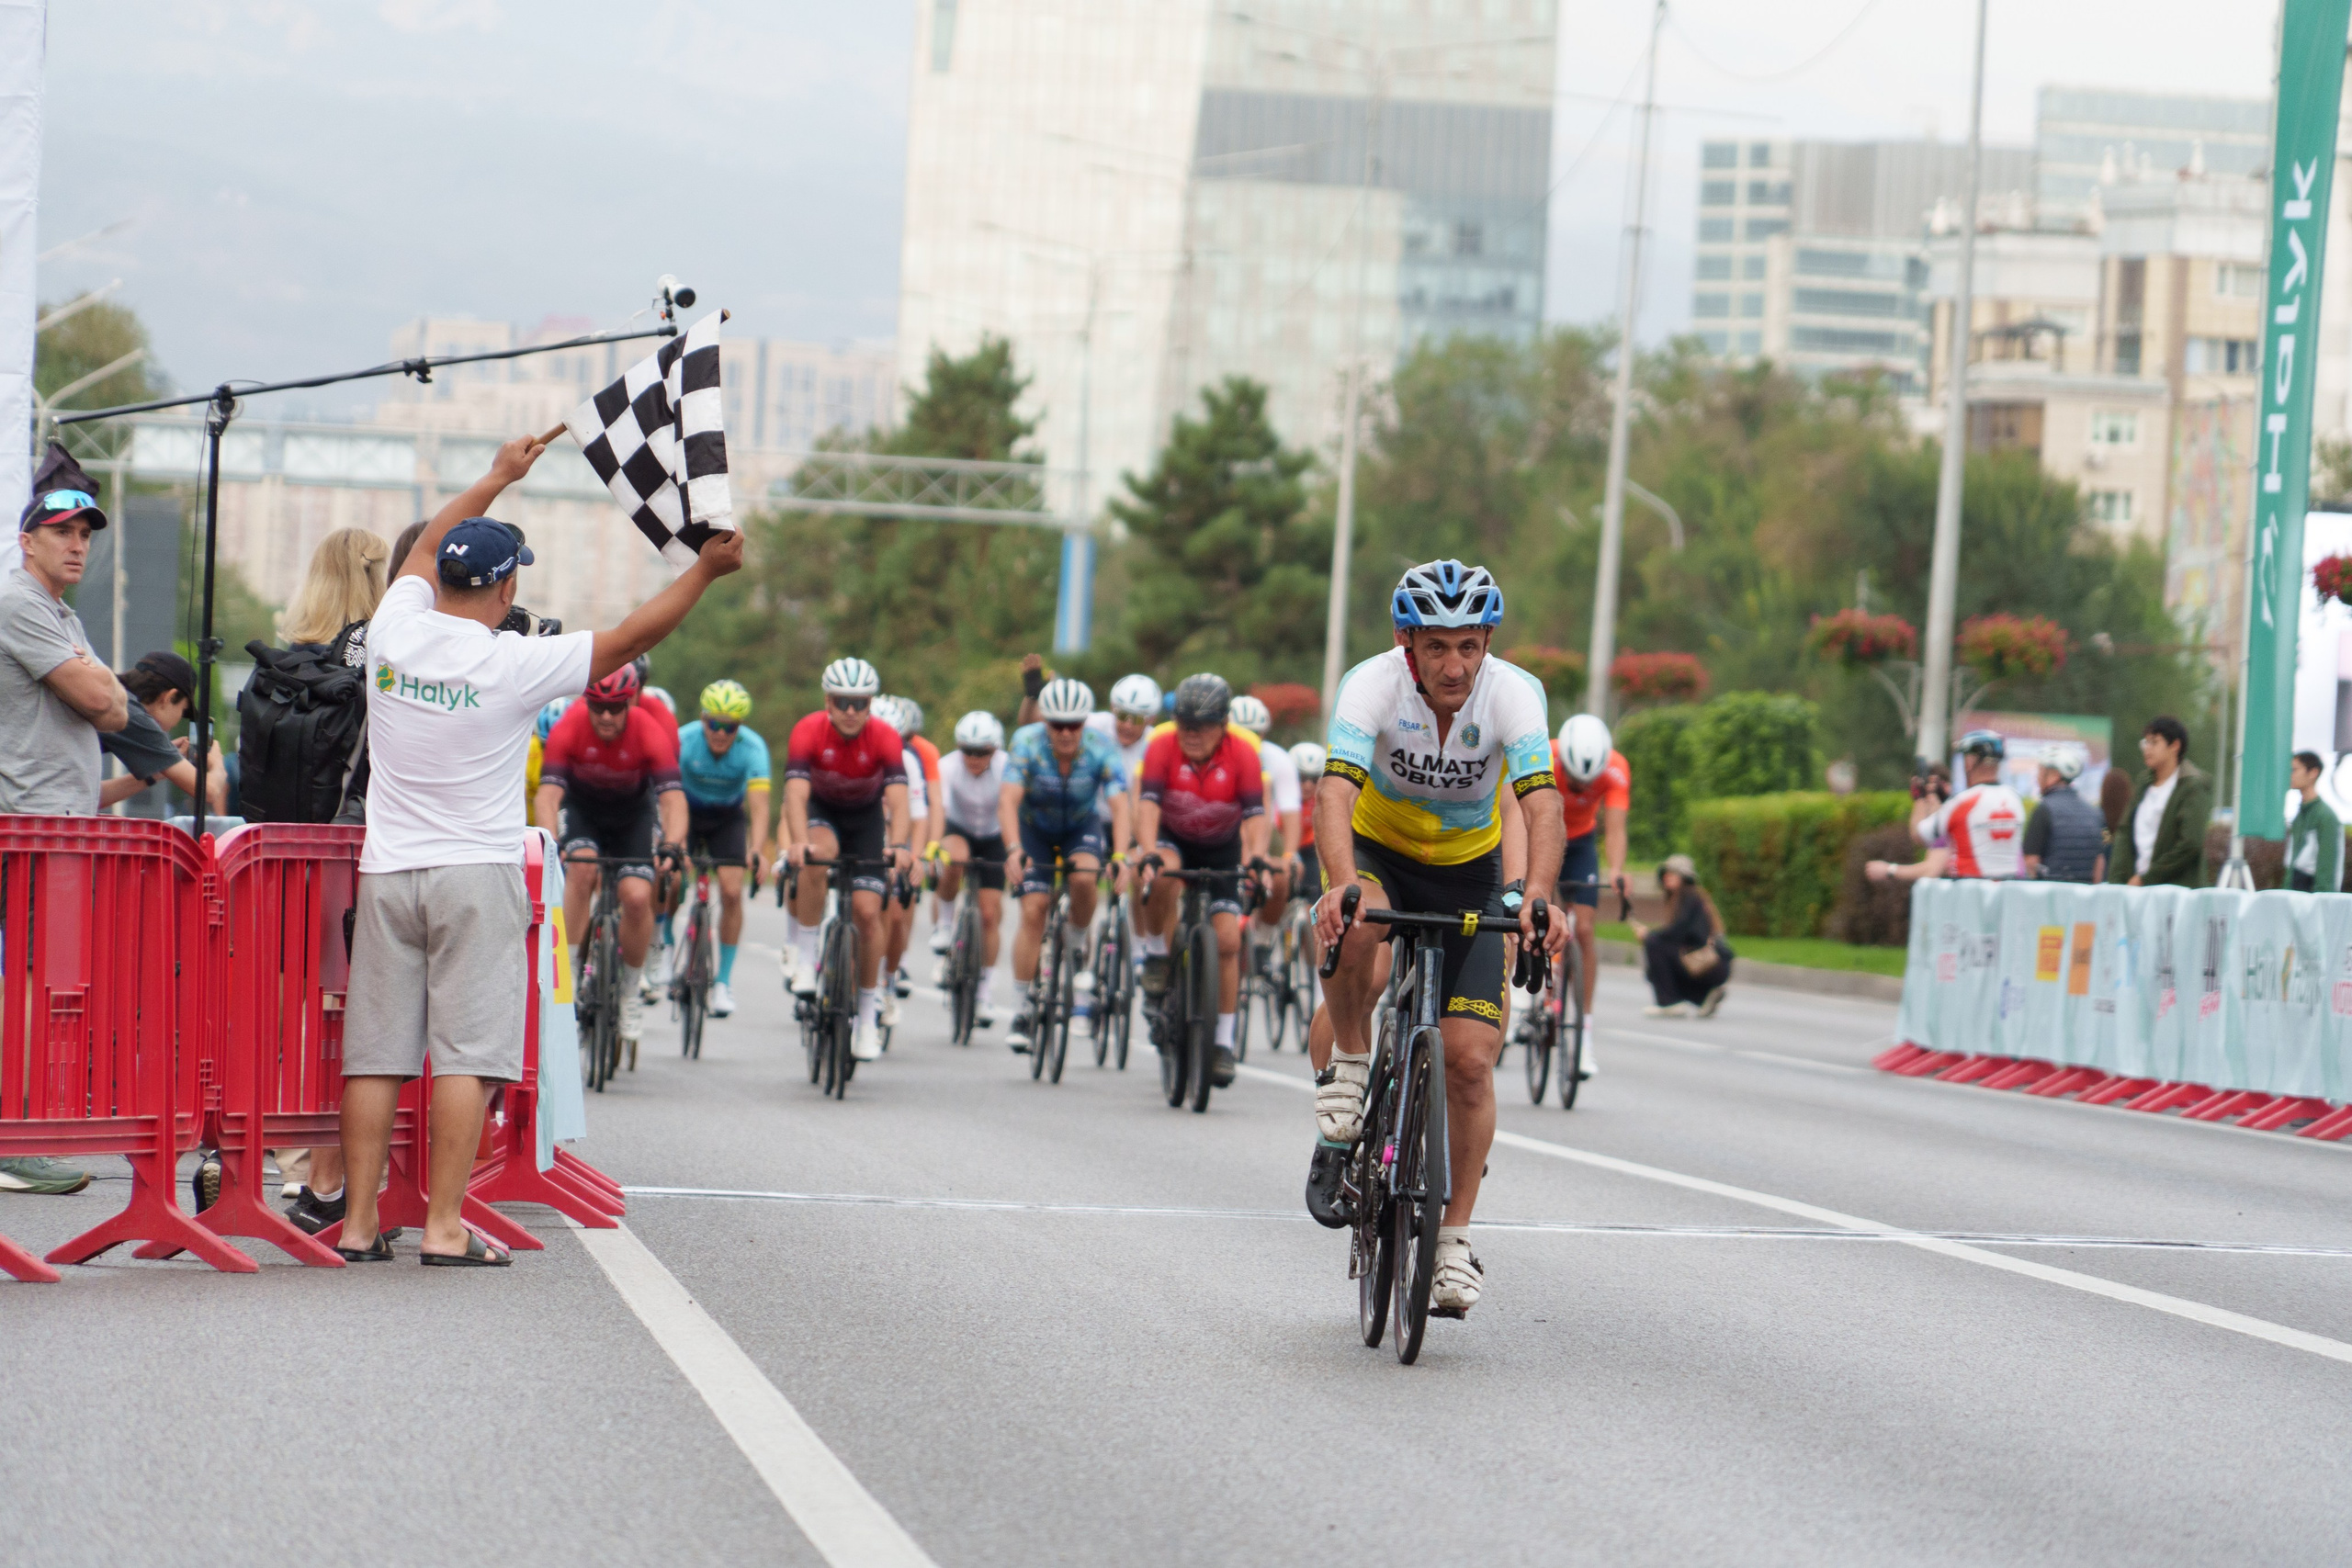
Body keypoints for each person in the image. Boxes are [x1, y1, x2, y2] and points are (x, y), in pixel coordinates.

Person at [337, 433, 741, 1266]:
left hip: (386, 872)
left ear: (440, 580)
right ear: (506, 587)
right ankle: (444, 1227)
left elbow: (422, 545)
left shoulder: (391, 630)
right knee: (464, 1055)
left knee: (375, 1055)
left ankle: (357, 1225)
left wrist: (495, 476)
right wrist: (704, 571)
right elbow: (628, 640)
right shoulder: (514, 662)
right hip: (473, 875)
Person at [1305, 559, 1566, 1318]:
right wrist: (1341, 883)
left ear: (1487, 642)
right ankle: (1351, 1060)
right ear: (1407, 643)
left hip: (1467, 871)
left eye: (1469, 646)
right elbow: (1335, 792)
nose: (1455, 665)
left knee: (1471, 1060)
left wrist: (1537, 895)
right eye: (1437, 647)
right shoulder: (1371, 684)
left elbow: (1542, 805)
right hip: (1380, 853)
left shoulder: (1513, 693)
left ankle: (1452, 1240)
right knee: (1361, 923)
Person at [0, 445, 130, 1197]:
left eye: (85, 534)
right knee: (25, 981)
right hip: (30, 825)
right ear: (28, 541)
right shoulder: (21, 603)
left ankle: (20, 1131)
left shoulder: (59, 611)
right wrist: (100, 683)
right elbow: (103, 701)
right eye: (63, 533)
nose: (78, 544)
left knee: (34, 980)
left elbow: (116, 706)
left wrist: (102, 686)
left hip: (48, 824)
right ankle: (14, 1142)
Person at [536, 660, 684, 1063]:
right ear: (585, 702)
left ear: (630, 702)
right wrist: (550, 839)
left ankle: (631, 991)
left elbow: (673, 799)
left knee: (636, 897)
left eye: (615, 707)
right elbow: (548, 796)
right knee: (581, 868)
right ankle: (567, 976)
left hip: (632, 816)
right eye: (597, 706)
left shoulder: (648, 730)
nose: (605, 716)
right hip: (583, 811)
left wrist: (672, 843)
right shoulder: (569, 726)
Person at [1132, 674, 1267, 1084]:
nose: (1191, 734)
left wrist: (1258, 858)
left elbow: (1255, 815)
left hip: (1221, 849)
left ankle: (1222, 1043)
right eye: (1184, 724)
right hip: (1173, 839)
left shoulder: (1243, 753)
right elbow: (1148, 805)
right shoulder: (1161, 746)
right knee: (1162, 872)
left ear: (1223, 725)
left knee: (1228, 941)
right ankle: (1157, 953)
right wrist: (1148, 851)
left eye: (1202, 726)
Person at [779, 658, 911, 1062]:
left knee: (869, 914)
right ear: (828, 702)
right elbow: (795, 796)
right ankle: (806, 959)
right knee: (817, 854)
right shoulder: (807, 731)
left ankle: (868, 1017)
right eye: (842, 702)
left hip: (866, 820)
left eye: (860, 703)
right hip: (822, 812)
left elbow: (899, 801)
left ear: (870, 704)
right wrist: (799, 842)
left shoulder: (885, 737)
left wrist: (900, 844)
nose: (851, 711)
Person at [1001, 678, 1130, 1052]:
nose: (1066, 733)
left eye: (1074, 724)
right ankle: (1021, 1009)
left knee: (1086, 878)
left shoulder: (1101, 746)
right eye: (1057, 725)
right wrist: (1013, 849)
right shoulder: (1026, 742)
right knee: (1033, 910)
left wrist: (1120, 856)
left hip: (1079, 826)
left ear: (1084, 722)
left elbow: (1121, 805)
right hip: (1034, 829)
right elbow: (1008, 800)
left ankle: (1075, 941)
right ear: (1046, 722)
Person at [673, 679, 770, 1018]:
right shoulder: (683, 741)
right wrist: (674, 843)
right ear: (702, 719)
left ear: (739, 727)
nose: (720, 733)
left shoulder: (753, 748)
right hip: (686, 812)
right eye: (713, 724)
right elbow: (667, 795)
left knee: (731, 891)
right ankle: (665, 946)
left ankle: (723, 983)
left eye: (729, 727)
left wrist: (756, 849)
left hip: (727, 818)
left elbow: (759, 807)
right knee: (671, 877)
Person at [1552, 713, 1630, 1081]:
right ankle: (1525, 1002)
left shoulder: (1616, 769)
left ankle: (1584, 1031)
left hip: (1581, 842)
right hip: (1544, 834)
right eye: (1575, 779)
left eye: (1589, 781)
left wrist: (1616, 870)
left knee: (1584, 929)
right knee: (1538, 915)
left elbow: (1615, 829)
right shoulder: (1545, 756)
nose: (1581, 787)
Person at [1865, 730, 2023, 884]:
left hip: (1971, 892)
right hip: (2009, 893)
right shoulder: (2015, 799)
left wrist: (1920, 798)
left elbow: (1919, 835)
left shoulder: (1962, 803)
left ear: (1970, 761)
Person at [935, 709, 1012, 1026]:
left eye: (982, 752)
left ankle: (984, 991)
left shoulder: (1008, 767)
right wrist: (934, 847)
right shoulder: (947, 767)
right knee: (955, 858)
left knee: (990, 915)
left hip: (995, 835)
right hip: (959, 828)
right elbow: (939, 809)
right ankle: (944, 924)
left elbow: (1014, 806)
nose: (974, 758)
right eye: (968, 751)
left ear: (995, 750)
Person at [874, 694, 943, 1031]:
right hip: (865, 828)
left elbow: (922, 814)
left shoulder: (912, 759)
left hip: (895, 831)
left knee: (897, 910)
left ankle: (887, 979)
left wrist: (919, 856)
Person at [97, 652, 227, 817]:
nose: (178, 720)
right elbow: (209, 791)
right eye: (183, 710)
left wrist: (157, 769)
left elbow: (91, 796)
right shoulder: (134, 716)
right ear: (168, 697)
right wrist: (217, 765)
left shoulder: (117, 699)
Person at [1227, 692, 1304, 956]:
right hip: (1225, 830)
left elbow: (1290, 811)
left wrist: (1290, 855)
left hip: (1261, 830)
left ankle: (1263, 937)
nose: (1248, 739)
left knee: (1281, 876)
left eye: (1255, 733)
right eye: (1240, 732)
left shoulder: (1278, 759)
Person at [2106, 716, 2213, 888]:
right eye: (2145, 743)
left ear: (2175, 746)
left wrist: (2146, 878)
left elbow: (2191, 843)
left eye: (2154, 742)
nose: (2147, 749)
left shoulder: (2192, 786)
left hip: (2175, 892)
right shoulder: (2144, 783)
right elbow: (2124, 832)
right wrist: (2117, 881)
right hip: (2135, 888)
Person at [1629, 854, 1732, 1017]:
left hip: (1708, 962)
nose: (1667, 877)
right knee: (1655, 966)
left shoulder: (1690, 897)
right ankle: (1703, 998)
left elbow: (1680, 931)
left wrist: (1650, 934)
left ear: (1684, 877)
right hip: (1711, 964)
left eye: (1672, 874)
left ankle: (1669, 1003)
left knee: (1654, 945)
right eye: (1666, 874)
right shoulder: (1689, 897)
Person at [2019, 751, 2104, 883]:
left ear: (2055, 775)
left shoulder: (2044, 810)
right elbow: (2099, 865)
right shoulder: (2093, 813)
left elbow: (2031, 862)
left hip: (2052, 891)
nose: (2037, 778)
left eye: (2041, 772)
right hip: (2084, 892)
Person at [2286, 750, 2342, 894]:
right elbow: (2292, 863)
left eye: (2294, 770)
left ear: (2313, 773)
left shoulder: (2326, 816)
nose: (2290, 775)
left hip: (2314, 898)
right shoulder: (2299, 815)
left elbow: (2327, 869)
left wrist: (2323, 901)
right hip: (2294, 896)